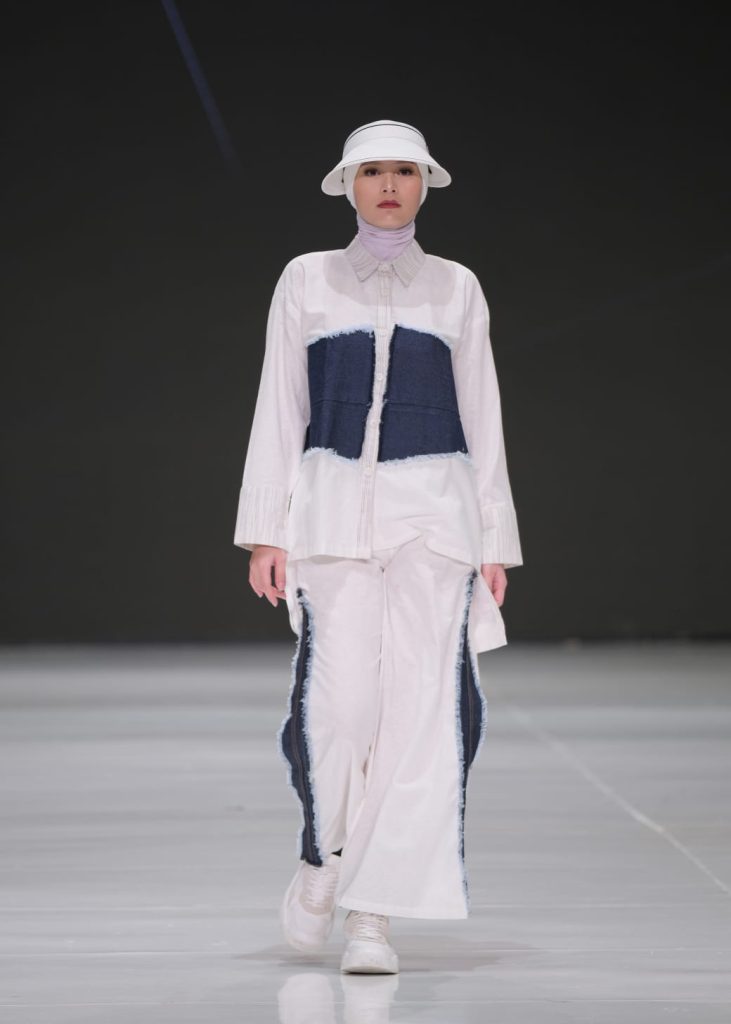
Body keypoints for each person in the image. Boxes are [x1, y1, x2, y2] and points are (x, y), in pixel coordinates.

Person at [233, 119, 523, 975]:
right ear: (347, 185)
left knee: (425, 720)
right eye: (372, 172)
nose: (389, 185)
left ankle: (372, 912)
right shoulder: (307, 279)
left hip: (435, 520)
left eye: (404, 170)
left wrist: (494, 540)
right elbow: (280, 406)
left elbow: (483, 414)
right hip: (329, 520)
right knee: (339, 709)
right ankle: (324, 856)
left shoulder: (455, 287)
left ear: (425, 183)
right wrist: (265, 529)